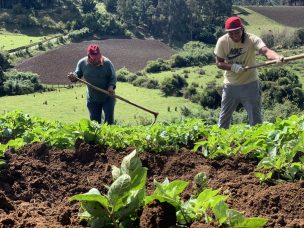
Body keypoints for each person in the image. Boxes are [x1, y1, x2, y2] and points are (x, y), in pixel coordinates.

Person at [214, 16, 284, 129]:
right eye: (230, 33)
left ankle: (256, 145)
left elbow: (265, 51)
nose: (234, 36)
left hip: (250, 85)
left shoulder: (252, 39)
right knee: (223, 120)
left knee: (256, 121)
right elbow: (219, 63)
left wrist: (277, 58)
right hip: (230, 85)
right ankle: (219, 144)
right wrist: (232, 67)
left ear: (242, 29)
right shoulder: (222, 41)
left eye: (236, 32)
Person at [67, 44, 116, 124]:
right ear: (89, 56)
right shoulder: (82, 63)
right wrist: (73, 77)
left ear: (100, 54)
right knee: (94, 123)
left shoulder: (107, 63)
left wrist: (110, 87)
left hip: (108, 97)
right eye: (94, 58)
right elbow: (77, 75)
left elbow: (113, 77)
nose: (97, 60)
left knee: (109, 122)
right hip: (92, 98)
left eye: (98, 57)